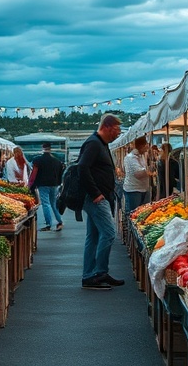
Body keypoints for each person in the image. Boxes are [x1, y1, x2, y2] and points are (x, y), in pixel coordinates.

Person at [79, 113, 125, 290]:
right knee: (109, 233)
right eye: (116, 129)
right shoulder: (93, 144)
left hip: (100, 197)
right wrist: (95, 193)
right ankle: (99, 273)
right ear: (107, 126)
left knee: (94, 236)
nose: (118, 133)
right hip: (97, 199)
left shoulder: (101, 144)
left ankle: (90, 275)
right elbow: (82, 167)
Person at [30, 142, 65, 231]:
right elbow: (60, 174)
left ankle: (48, 224)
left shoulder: (38, 160)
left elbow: (34, 174)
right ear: (50, 149)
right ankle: (59, 221)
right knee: (53, 204)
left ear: (42, 148)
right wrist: (59, 183)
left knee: (46, 204)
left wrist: (31, 185)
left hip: (42, 185)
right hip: (54, 185)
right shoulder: (57, 161)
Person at [121, 136, 152, 214]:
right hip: (134, 190)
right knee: (133, 213)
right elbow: (138, 174)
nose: (147, 148)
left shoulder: (141, 156)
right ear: (142, 146)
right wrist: (149, 171)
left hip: (143, 189)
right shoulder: (130, 158)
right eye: (146, 145)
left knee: (144, 213)